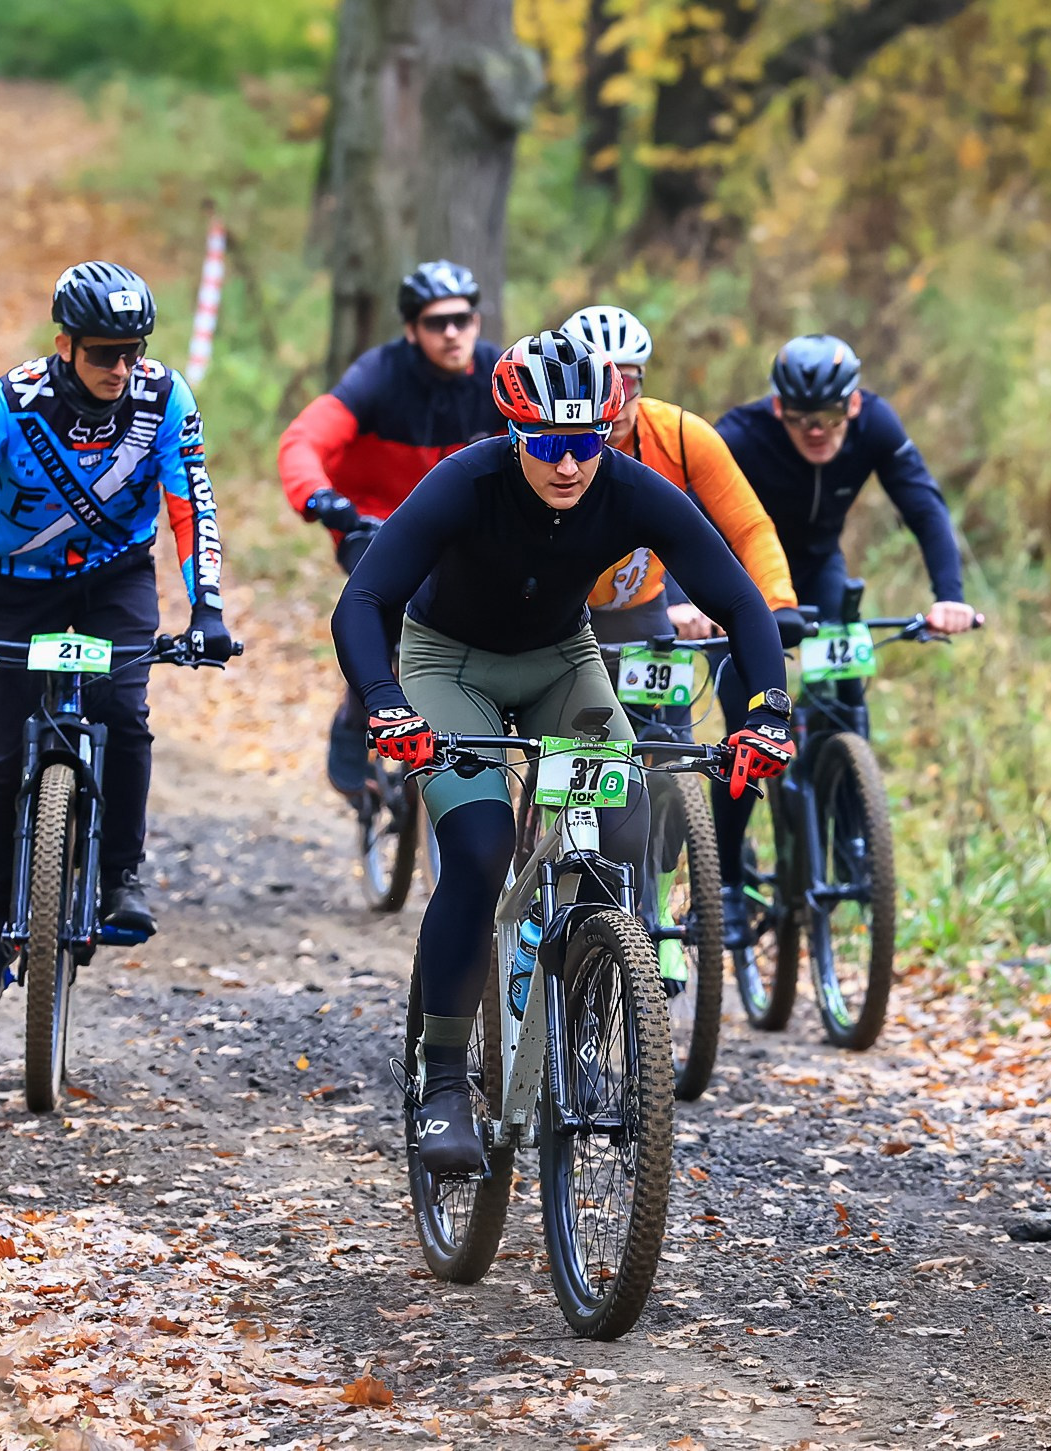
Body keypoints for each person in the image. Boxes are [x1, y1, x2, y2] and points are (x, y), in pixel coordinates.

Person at [331, 331, 795, 1175]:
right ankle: (440, 1080)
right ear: (513, 431)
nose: (569, 464)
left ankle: (578, 1022)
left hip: (562, 662)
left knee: (620, 829)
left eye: (585, 442)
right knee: (478, 851)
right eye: (547, 442)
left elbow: (737, 594)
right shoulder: (466, 482)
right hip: (449, 664)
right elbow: (362, 599)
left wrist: (768, 711)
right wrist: (387, 702)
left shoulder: (628, 488)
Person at [0, 262, 234, 1011]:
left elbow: (192, 508)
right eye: (104, 353)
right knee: (8, 744)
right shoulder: (11, 404)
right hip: (20, 587)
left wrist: (207, 607)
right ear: (64, 344)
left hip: (117, 578)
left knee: (124, 709)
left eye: (133, 351)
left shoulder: (164, 398)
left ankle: (121, 874)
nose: (122, 367)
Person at [712, 333, 978, 879]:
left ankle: (852, 839)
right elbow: (682, 517)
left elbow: (923, 505)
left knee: (846, 687)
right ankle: (729, 872)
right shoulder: (739, 434)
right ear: (778, 407)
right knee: (747, 719)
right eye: (802, 418)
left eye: (831, 416)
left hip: (819, 570)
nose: (817, 431)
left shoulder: (876, 424)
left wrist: (949, 595)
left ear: (854, 405)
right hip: (748, 582)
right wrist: (686, 602)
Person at [278, 259, 503, 802]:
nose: (452, 333)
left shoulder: (499, 376)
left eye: (463, 319)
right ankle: (358, 715)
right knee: (381, 602)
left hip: (460, 528)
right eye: (435, 323)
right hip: (375, 522)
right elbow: (303, 441)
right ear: (411, 330)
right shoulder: (379, 376)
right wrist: (320, 497)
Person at [558, 304, 800, 653]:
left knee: (669, 708)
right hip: (561, 609)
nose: (616, 401)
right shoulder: (543, 444)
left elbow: (749, 527)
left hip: (642, 607)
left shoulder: (681, 435)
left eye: (627, 382)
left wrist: (778, 602)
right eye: (600, 385)